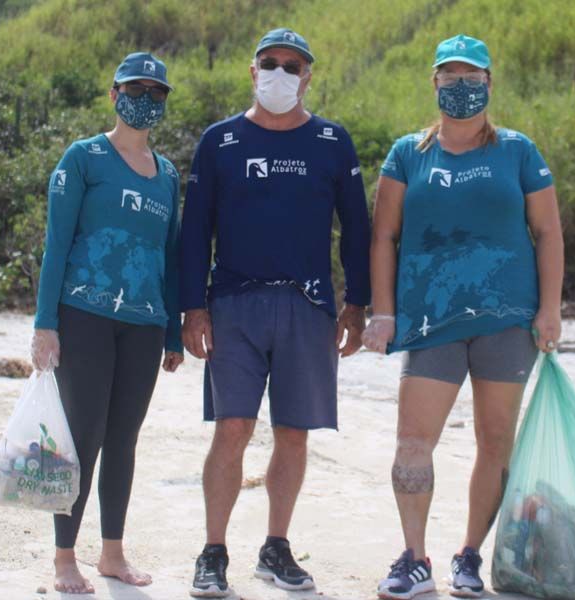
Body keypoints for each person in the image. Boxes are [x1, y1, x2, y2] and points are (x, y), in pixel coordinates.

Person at [363, 34, 564, 599]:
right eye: (450, 77)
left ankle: (470, 555)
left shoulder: (518, 151)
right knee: (412, 443)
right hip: (429, 322)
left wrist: (550, 309)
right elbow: (383, 236)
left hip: (508, 320)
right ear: (434, 83)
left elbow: (547, 233)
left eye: (472, 78)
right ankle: (412, 558)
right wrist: (383, 312)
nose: (461, 87)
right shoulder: (408, 153)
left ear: (489, 83)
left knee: (496, 440)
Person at [180, 28, 371, 598]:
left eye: (293, 66)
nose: (281, 74)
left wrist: (356, 304)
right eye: (271, 63)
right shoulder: (220, 141)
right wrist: (193, 306)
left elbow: (356, 232)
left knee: (293, 433)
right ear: (252, 70)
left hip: (310, 305)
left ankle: (276, 548)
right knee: (232, 427)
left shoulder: (332, 142)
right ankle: (213, 551)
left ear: (309, 76)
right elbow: (194, 233)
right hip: (233, 303)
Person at [30, 52, 184, 594]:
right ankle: (64, 558)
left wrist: (172, 331)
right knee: (82, 437)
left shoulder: (167, 176)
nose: (146, 101)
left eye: (157, 93)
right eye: (136, 90)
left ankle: (112, 554)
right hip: (84, 316)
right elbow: (57, 244)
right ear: (115, 94)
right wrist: (45, 323)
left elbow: (169, 256)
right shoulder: (84, 158)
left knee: (124, 438)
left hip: (144, 324)